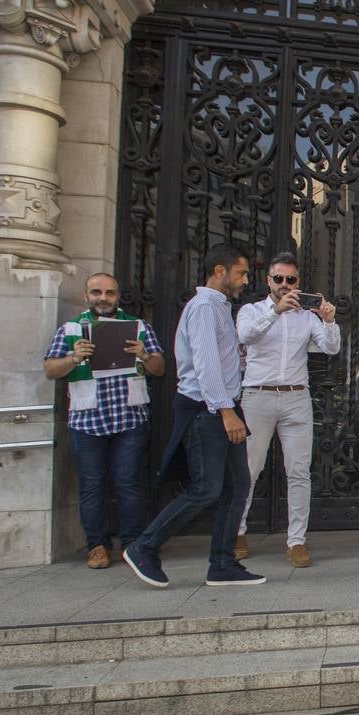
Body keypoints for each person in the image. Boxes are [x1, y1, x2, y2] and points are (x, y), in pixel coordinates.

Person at [123, 243, 265, 588]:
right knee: (206, 488)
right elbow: (205, 365)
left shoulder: (219, 307)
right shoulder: (203, 307)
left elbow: (220, 360)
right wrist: (227, 412)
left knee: (237, 488)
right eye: (241, 272)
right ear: (220, 271)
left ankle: (222, 563)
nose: (246, 280)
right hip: (209, 410)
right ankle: (144, 547)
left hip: (223, 406)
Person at [43, 272, 166, 568]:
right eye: (97, 292)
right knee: (92, 486)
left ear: (118, 296)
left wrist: (144, 355)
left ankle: (133, 543)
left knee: (129, 484)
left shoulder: (138, 327)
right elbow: (50, 369)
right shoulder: (70, 328)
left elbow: (159, 368)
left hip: (129, 419)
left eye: (109, 293)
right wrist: (73, 358)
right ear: (87, 296)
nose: (103, 298)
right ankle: (97, 545)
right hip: (88, 421)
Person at [232, 252, 340, 568]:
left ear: (298, 282)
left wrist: (329, 321)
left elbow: (330, 347)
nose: (284, 284)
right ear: (268, 281)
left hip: (296, 397)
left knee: (299, 471)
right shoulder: (252, 311)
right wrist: (275, 313)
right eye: (278, 279)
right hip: (258, 396)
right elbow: (245, 336)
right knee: (249, 470)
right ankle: (237, 532)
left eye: (290, 279)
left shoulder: (307, 317)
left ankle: (296, 541)